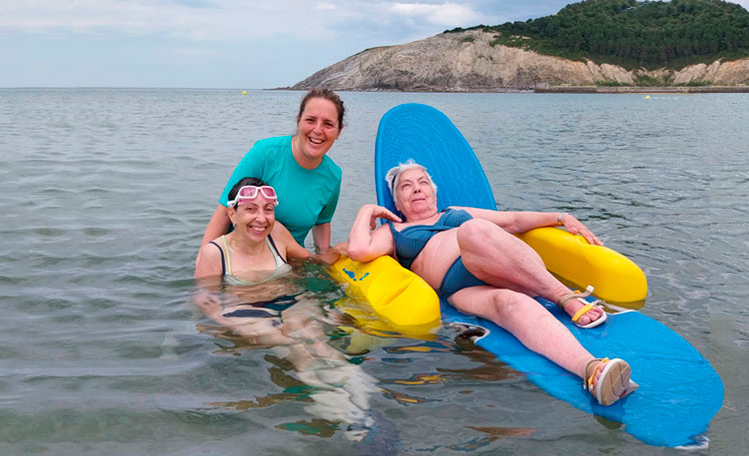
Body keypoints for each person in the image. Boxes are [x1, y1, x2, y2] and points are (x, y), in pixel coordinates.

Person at [346, 160, 638, 406]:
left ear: (434, 192)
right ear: (396, 202)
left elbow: (511, 221)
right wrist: (367, 211)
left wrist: (561, 217)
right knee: (511, 304)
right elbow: (358, 250)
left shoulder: (455, 214)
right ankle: (592, 370)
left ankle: (563, 296)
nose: (417, 188)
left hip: (503, 265)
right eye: (406, 186)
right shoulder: (394, 231)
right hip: (461, 290)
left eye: (422, 182)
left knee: (473, 230)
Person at [193, 176, 377, 440]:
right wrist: (234, 325)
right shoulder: (215, 253)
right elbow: (204, 300)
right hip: (245, 309)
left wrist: (338, 252)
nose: (261, 218)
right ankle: (349, 419)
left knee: (318, 341)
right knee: (295, 347)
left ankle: (367, 402)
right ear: (232, 214)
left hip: (289, 299)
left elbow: (310, 261)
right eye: (250, 209)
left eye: (268, 209)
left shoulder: (277, 233)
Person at [199, 89, 345, 258]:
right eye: (310, 120)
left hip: (290, 263)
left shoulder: (333, 176)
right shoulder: (264, 154)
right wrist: (205, 263)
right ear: (298, 121)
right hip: (240, 259)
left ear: (338, 131)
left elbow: (322, 222)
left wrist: (325, 258)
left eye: (328, 124)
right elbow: (226, 209)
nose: (318, 130)